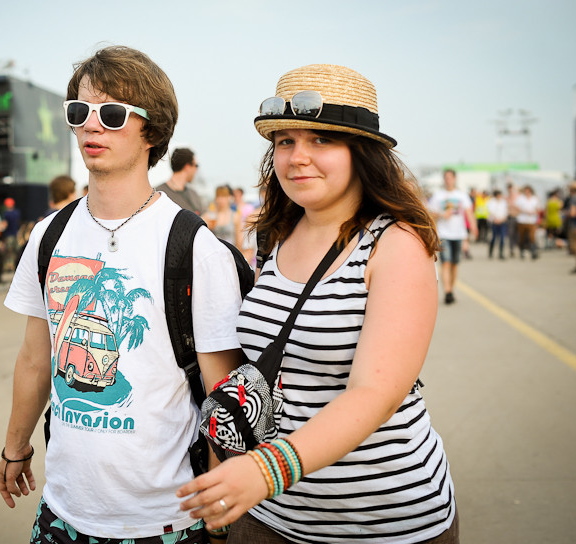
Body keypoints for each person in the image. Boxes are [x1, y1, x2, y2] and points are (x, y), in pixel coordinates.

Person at [177, 64, 457, 543]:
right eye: (285, 141)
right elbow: (251, 374)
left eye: (321, 140)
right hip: (268, 517)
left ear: (361, 153)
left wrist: (265, 471)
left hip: (382, 520)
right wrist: (225, 473)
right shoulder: (275, 235)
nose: (297, 157)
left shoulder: (396, 245)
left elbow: (377, 393)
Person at [0, 45, 244, 544]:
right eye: (79, 113)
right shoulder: (47, 235)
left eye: (111, 114)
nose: (91, 126)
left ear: (151, 131)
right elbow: (33, 358)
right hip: (62, 512)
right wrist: (14, 447)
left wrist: (220, 512)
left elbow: (224, 392)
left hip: (168, 519)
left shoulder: (193, 246)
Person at [428, 168, 477, 304]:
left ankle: (452, 289)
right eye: (446, 178)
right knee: (446, 263)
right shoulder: (438, 196)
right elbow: (430, 214)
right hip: (444, 234)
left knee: (455, 264)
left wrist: (473, 227)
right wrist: (442, 214)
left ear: (454, 179)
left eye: (450, 177)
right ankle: (448, 291)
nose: (448, 180)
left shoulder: (462, 196)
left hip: (459, 234)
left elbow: (469, 213)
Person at [155, 147, 205, 215]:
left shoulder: (194, 194)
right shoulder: (158, 194)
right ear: (187, 167)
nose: (196, 170)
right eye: (196, 165)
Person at [208, 185, 243, 250]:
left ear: (229, 197)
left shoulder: (235, 216)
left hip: (230, 252)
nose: (221, 199)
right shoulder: (211, 215)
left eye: (223, 196)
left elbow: (239, 242)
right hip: (214, 253)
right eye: (218, 196)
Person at [514, 185, 541, 260]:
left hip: (531, 220)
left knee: (532, 237)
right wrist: (524, 211)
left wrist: (533, 212)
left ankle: (533, 252)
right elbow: (516, 207)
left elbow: (538, 209)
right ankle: (522, 251)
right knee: (522, 237)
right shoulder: (520, 198)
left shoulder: (535, 199)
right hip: (522, 220)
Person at [487, 189, 508, 259]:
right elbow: (490, 211)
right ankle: (490, 252)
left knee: (502, 238)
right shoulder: (491, 202)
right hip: (494, 222)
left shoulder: (503, 202)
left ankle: (501, 253)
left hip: (502, 222)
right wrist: (495, 219)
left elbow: (505, 212)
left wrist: (502, 219)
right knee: (493, 237)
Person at [2, 198, 22, 271]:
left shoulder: (6, 214)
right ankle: (14, 266)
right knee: (15, 251)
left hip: (9, 235)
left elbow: (5, 224)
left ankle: (8, 266)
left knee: (9, 251)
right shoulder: (17, 213)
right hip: (16, 234)